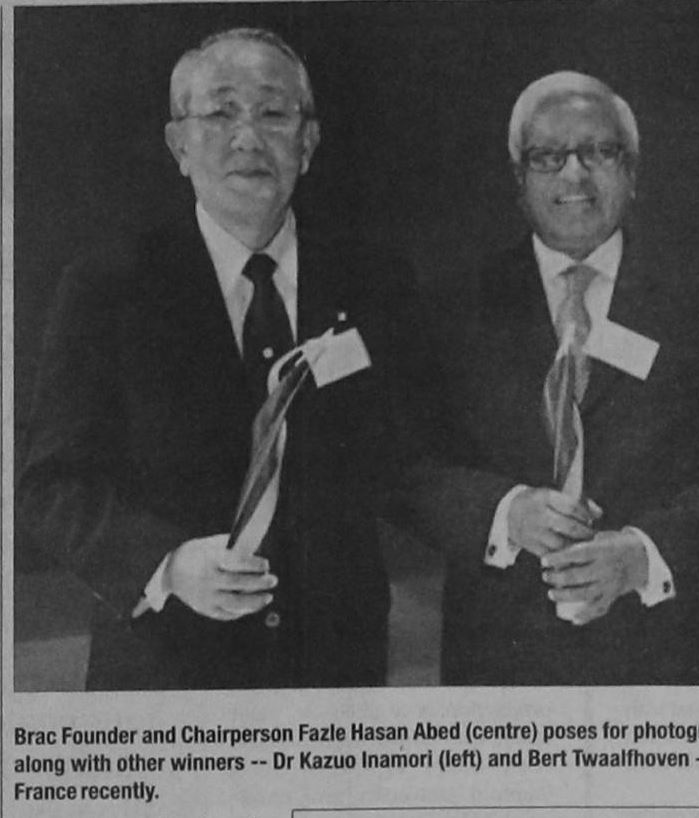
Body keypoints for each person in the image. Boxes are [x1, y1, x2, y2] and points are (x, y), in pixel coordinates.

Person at [18, 28, 415, 689]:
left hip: (335, 674)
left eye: (274, 113)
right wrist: (167, 565)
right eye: (221, 112)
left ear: (308, 143)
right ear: (179, 145)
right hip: (171, 676)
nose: (248, 138)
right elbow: (50, 487)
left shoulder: (374, 280)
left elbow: (414, 458)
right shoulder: (109, 287)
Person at [404, 71, 699, 685]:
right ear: (519, 178)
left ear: (633, 172)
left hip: (660, 662)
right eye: (548, 157)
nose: (574, 175)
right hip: (498, 665)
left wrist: (644, 554)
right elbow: (408, 468)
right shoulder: (453, 307)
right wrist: (505, 513)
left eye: (600, 152)